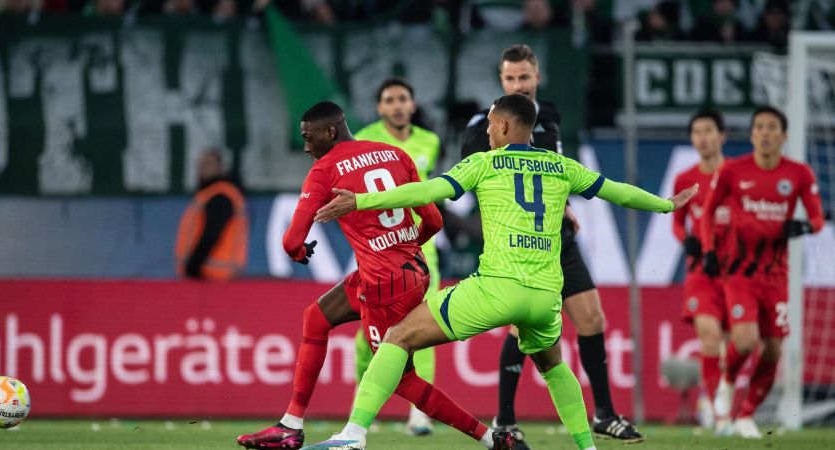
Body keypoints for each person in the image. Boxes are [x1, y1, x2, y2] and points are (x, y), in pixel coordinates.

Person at [306, 94, 699, 450]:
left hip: (496, 290)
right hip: (546, 298)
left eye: (491, 123)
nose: (488, 130)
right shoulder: (562, 166)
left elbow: (423, 193)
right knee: (553, 365)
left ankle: (353, 436)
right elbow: (618, 191)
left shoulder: (484, 164)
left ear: (507, 126)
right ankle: (587, 448)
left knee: (397, 338)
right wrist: (665, 206)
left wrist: (362, 200)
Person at [236, 101, 518, 450]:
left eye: (309, 138)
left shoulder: (324, 170)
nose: (307, 146)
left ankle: (491, 439)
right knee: (317, 317)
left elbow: (292, 240)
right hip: (412, 269)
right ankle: (290, 425)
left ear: (331, 131)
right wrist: (403, 245)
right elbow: (434, 221)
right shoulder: (394, 153)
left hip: (384, 284)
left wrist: (299, 252)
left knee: (402, 379)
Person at [461, 43, 643, 444]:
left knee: (592, 319)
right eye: (510, 78)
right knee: (520, 328)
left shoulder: (552, 117)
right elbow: (481, 182)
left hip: (559, 235)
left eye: (524, 77)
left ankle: (605, 415)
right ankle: (505, 420)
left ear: (537, 77)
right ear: (501, 80)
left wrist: (566, 207)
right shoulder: (484, 126)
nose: (518, 84)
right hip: (522, 246)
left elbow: (553, 174)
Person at [701, 106, 825, 438]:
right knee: (745, 339)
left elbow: (817, 218)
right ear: (752, 134)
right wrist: (709, 250)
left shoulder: (799, 174)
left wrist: (803, 225)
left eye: (772, 127)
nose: (766, 133)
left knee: (772, 349)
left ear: (784, 136)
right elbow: (708, 212)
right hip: (740, 272)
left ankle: (746, 415)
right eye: (759, 127)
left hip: (777, 276)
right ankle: (727, 383)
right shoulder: (732, 171)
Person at [353, 77, 441, 436]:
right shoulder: (361, 139)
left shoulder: (430, 141)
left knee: (429, 326)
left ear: (413, 104)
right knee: (366, 336)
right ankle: (362, 407)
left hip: (421, 247)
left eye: (403, 98)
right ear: (380, 107)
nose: (397, 105)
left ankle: (420, 414)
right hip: (379, 251)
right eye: (390, 99)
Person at [671, 109, 730, 432]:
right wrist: (688, 241)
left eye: (708, 131)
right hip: (701, 273)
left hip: (736, 272)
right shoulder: (685, 180)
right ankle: (717, 410)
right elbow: (677, 225)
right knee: (709, 337)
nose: (702, 138)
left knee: (738, 344)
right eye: (696, 132)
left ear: (722, 136)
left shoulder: (736, 176)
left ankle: (720, 397)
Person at [174, 149, 248, 280]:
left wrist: (192, 266)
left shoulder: (221, 195)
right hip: (214, 275)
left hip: (212, 275)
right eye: (200, 164)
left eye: (208, 163)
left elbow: (212, 233)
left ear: (221, 167)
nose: (203, 168)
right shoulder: (209, 194)